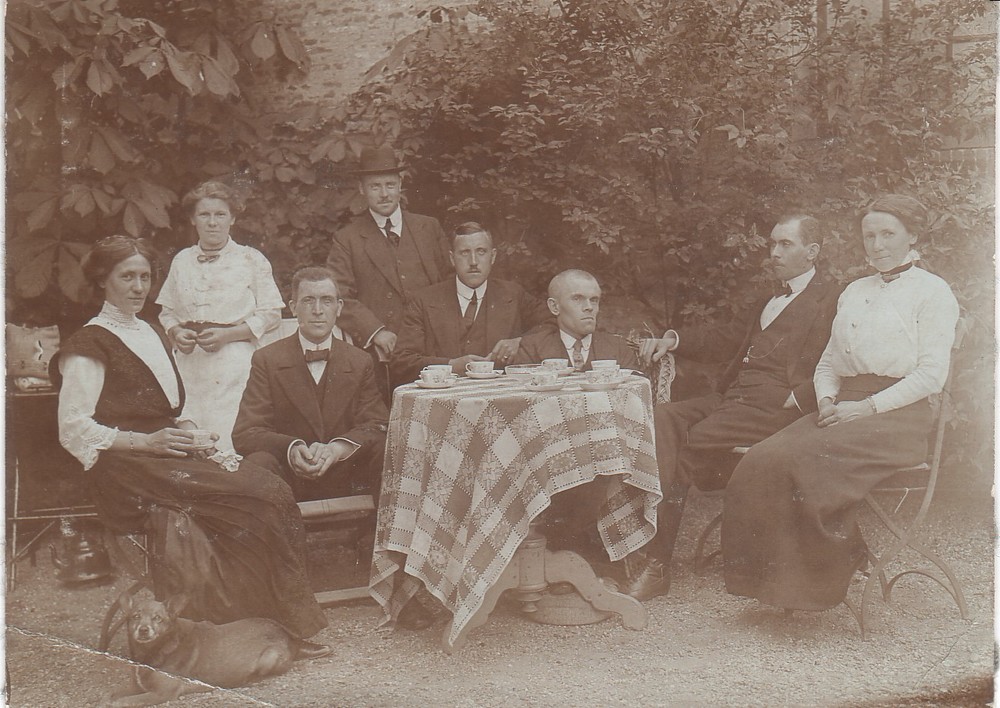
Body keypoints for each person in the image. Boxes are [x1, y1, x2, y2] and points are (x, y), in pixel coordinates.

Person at [56, 235, 327, 639]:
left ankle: (266, 625)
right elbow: (73, 429)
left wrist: (187, 430)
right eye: (127, 277)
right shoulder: (88, 344)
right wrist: (148, 442)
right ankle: (261, 626)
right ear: (101, 280)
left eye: (144, 277)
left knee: (269, 487)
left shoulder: (149, 332)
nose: (138, 287)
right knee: (255, 499)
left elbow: (164, 409)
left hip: (166, 456)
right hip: (125, 470)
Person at [722, 195, 960, 611]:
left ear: (913, 236)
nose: (877, 245)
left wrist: (867, 408)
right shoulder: (854, 291)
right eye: (870, 235)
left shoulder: (933, 292)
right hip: (843, 407)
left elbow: (930, 376)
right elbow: (829, 362)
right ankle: (774, 586)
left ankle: (831, 568)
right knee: (762, 457)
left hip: (896, 419)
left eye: (888, 234)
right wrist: (828, 399)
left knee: (796, 461)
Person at [623, 215, 842, 601]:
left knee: (683, 446)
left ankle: (654, 563)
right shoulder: (768, 298)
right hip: (734, 400)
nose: (774, 253)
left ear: (812, 252)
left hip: (777, 409)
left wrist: (802, 397)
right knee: (662, 417)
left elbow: (845, 356)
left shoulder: (834, 300)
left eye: (785, 244)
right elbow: (725, 337)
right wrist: (673, 340)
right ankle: (644, 550)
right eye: (772, 244)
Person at [232, 266, 388, 503]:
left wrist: (337, 449)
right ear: (293, 307)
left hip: (346, 475)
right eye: (308, 301)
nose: (317, 310)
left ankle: (374, 527)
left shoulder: (360, 361)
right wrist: (292, 448)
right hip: (290, 479)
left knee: (385, 450)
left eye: (326, 301)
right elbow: (246, 433)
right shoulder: (267, 359)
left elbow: (377, 425)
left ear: (339, 307)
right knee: (257, 462)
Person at [156, 181, 284, 452]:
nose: (212, 222)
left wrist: (230, 334)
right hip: (189, 361)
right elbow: (167, 312)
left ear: (232, 218)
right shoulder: (182, 260)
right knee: (189, 430)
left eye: (220, 214)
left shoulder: (250, 259)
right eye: (204, 214)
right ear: (193, 219)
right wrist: (176, 332)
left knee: (228, 433)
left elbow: (272, 312)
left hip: (234, 361)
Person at [326, 145, 450, 393]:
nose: (384, 194)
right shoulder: (347, 239)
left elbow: (450, 282)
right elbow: (338, 296)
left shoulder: (428, 228)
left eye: (390, 185)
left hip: (434, 349)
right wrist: (375, 332)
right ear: (362, 189)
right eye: (375, 186)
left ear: (400, 184)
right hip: (382, 355)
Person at [390, 222, 550, 385]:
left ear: (493, 256)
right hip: (445, 396)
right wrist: (450, 366)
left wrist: (519, 342)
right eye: (465, 252)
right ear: (452, 258)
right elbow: (401, 362)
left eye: (481, 252)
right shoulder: (424, 300)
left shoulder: (513, 294)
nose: (473, 261)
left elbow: (553, 322)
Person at [513, 269, 636, 368]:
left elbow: (634, 390)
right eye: (577, 299)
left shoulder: (618, 348)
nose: (589, 307)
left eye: (594, 300)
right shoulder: (532, 348)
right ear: (554, 307)